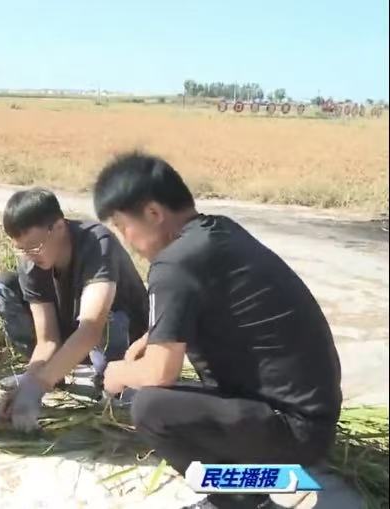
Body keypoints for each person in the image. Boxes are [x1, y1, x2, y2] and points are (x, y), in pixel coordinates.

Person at [93, 152, 342, 509]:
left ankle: (240, 498)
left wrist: (117, 373)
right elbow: (205, 306)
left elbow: (160, 372)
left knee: (150, 407)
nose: (125, 240)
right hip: (312, 421)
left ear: (153, 213)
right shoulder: (217, 232)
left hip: (293, 433)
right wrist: (150, 338)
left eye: (122, 226)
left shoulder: (173, 263)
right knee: (159, 394)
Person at [0, 188, 149, 431]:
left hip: (118, 334)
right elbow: (47, 340)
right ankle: (56, 373)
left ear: (58, 227)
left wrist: (39, 385)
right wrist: (29, 384)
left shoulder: (97, 243)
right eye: (21, 249)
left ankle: (116, 381)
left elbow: (91, 328)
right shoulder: (31, 262)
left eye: (34, 247)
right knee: (3, 287)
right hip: (73, 334)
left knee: (113, 383)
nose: (29, 256)